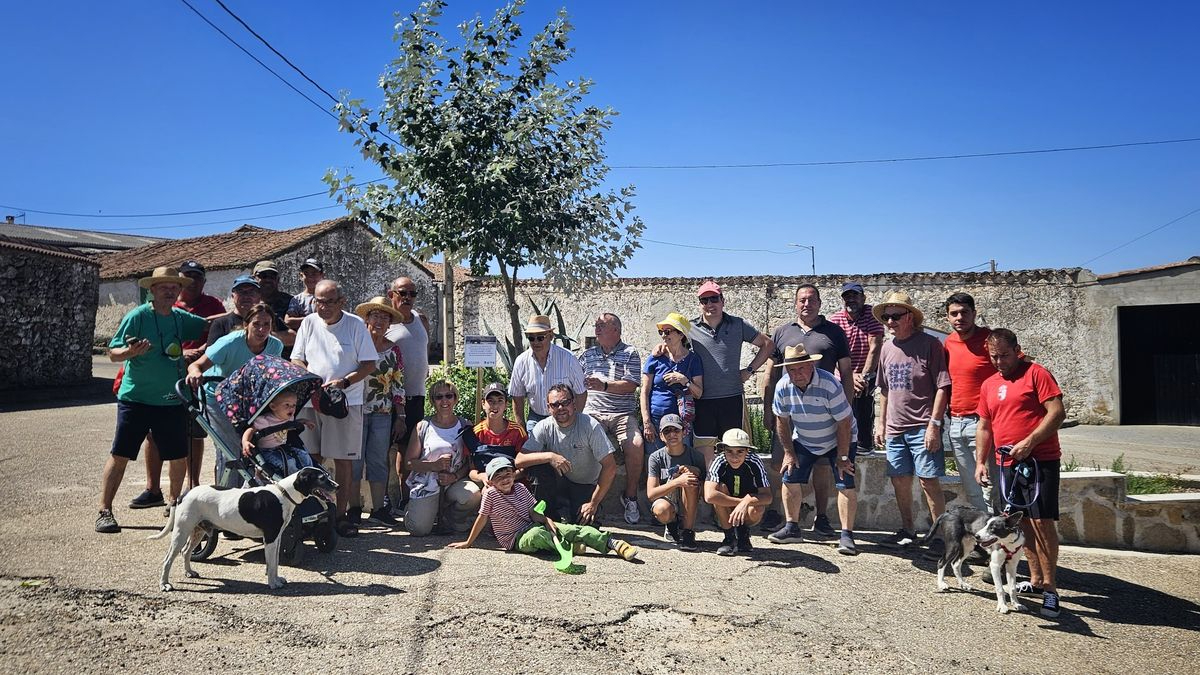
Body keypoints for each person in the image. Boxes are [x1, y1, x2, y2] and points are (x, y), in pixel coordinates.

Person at [96, 266, 207, 533]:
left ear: (179, 291)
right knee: (120, 454)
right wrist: (130, 352)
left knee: (178, 456)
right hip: (136, 399)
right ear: (152, 290)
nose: (170, 291)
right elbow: (112, 353)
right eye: (164, 287)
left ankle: (174, 503)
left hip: (171, 400)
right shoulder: (137, 316)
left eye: (174, 287)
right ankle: (104, 511)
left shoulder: (181, 318)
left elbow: (211, 325)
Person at [975, 328, 1066, 619]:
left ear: (1017, 350)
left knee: (1042, 522)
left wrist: (1030, 441)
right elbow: (985, 425)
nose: (999, 361)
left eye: (1004, 355)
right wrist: (980, 461)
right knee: (1021, 523)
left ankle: (1051, 589)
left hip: (1040, 460)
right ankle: (1036, 580)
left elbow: (1057, 412)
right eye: (993, 357)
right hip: (1007, 464)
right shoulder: (989, 384)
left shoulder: (1037, 374)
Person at [761, 284, 854, 537]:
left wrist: (846, 409)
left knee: (823, 467)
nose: (807, 304)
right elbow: (771, 373)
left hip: (826, 412)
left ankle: (821, 517)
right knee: (783, 462)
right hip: (789, 410)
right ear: (795, 303)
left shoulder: (834, 332)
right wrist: (769, 409)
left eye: (811, 300)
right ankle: (783, 517)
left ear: (820, 303)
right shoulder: (781, 332)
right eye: (802, 300)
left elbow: (846, 372)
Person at [130, 259, 225, 503]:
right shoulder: (165, 306)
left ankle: (191, 487)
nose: (192, 282)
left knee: (194, 433)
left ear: (203, 281)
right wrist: (181, 354)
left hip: (195, 378)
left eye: (196, 277)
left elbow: (216, 333)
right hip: (164, 377)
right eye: (187, 277)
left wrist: (201, 351)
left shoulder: (212, 304)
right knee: (154, 434)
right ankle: (153, 489)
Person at [291, 279, 377, 538]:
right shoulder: (308, 323)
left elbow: (369, 364)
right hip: (310, 401)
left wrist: (345, 382)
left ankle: (340, 516)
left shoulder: (354, 325)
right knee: (311, 459)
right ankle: (313, 514)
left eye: (329, 301)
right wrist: (312, 381)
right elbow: (296, 358)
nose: (323, 306)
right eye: (319, 301)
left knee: (344, 461)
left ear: (342, 301)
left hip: (345, 403)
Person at [450, 457, 638, 562]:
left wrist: (548, 521)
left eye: (508, 474)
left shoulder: (521, 488)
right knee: (537, 537)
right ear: (490, 481)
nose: (505, 479)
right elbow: (482, 518)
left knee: (569, 528)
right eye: (499, 477)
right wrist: (468, 542)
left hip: (533, 525)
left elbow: (534, 512)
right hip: (516, 539)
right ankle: (569, 547)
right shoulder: (490, 495)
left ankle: (613, 544)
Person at [873, 291, 950, 549]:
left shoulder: (929, 345)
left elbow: (942, 386)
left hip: (922, 425)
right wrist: (880, 422)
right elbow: (884, 389)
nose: (890, 321)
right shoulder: (886, 348)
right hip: (895, 428)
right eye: (886, 316)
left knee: (929, 481)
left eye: (895, 316)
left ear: (910, 317)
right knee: (900, 480)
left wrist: (934, 425)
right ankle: (907, 529)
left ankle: (941, 535)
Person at [765, 346, 860, 555]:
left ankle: (847, 535)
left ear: (811, 365)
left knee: (845, 480)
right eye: (791, 370)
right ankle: (792, 528)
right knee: (789, 476)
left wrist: (843, 456)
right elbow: (782, 421)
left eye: (801, 369)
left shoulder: (829, 383)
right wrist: (789, 452)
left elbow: (844, 423)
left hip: (839, 438)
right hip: (806, 438)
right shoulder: (783, 386)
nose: (796, 374)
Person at [186, 302, 284, 487]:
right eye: (256, 324)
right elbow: (196, 365)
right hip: (216, 397)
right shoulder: (230, 342)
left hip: (246, 400)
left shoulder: (275, 346)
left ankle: (246, 491)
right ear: (247, 325)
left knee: (253, 444)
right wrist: (195, 373)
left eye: (266, 324)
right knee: (230, 447)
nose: (261, 329)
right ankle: (226, 493)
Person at [579, 313, 645, 525]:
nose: (596, 328)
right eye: (596, 324)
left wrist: (604, 386)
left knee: (635, 444)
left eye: (601, 325)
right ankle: (587, 497)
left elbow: (631, 384)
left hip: (622, 414)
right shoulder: (586, 355)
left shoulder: (630, 353)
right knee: (582, 442)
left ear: (615, 330)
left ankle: (631, 496)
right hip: (592, 412)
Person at [517, 384, 616, 525]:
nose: (561, 408)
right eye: (555, 404)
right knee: (539, 466)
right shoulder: (544, 427)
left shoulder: (590, 426)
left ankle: (581, 510)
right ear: (548, 408)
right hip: (558, 482)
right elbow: (519, 460)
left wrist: (593, 503)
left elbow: (610, 466)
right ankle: (546, 517)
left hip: (585, 485)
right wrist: (550, 456)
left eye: (565, 402)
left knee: (585, 525)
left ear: (574, 403)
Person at [688, 280, 773, 441]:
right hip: (702, 400)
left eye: (714, 298)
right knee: (706, 453)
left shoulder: (738, 324)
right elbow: (674, 344)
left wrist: (749, 371)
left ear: (722, 301)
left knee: (735, 449)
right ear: (699, 304)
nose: (709, 304)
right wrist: (661, 348)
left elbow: (768, 344)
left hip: (732, 397)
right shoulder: (690, 328)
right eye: (704, 300)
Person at [402, 380, 482, 536]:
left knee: (472, 495)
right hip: (427, 482)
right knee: (419, 529)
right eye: (439, 397)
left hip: (455, 482)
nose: (444, 401)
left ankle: (448, 519)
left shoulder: (465, 425)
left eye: (449, 396)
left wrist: (454, 476)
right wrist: (434, 466)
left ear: (455, 398)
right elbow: (409, 463)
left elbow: (469, 462)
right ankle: (413, 510)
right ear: (432, 401)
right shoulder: (423, 426)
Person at [353, 296, 407, 526]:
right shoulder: (356, 344)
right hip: (355, 410)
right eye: (375, 315)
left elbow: (398, 384)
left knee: (377, 461)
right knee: (354, 461)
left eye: (385, 317)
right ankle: (353, 508)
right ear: (367, 319)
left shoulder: (393, 350)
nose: (379, 321)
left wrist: (400, 416)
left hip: (382, 412)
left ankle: (378, 509)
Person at [942, 292, 995, 514]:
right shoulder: (948, 343)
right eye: (954, 313)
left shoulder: (990, 340)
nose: (959, 317)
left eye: (964, 312)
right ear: (947, 317)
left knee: (991, 487)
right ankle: (986, 537)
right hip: (956, 423)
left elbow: (1017, 366)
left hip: (983, 423)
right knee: (972, 489)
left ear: (974, 313)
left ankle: (1001, 537)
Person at [385, 276, 432, 510]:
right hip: (388, 397)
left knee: (408, 450)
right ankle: (384, 499)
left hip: (416, 395)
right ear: (391, 294)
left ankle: (405, 499)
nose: (407, 298)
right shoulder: (386, 323)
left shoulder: (421, 320)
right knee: (384, 448)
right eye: (402, 293)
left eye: (412, 294)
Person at [828, 282, 885, 455]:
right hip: (844, 372)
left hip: (865, 372)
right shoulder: (836, 320)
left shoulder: (872, 315)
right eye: (847, 296)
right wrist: (850, 376)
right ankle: (840, 445)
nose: (851, 300)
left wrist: (864, 377)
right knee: (840, 409)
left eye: (855, 296)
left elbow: (874, 347)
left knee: (863, 403)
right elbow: (833, 350)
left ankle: (864, 444)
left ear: (863, 298)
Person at [508, 314, 587, 434]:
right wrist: (521, 429)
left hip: (564, 418)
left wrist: (574, 421)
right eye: (531, 338)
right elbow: (517, 397)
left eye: (540, 337)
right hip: (536, 418)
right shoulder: (521, 362)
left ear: (550, 336)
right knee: (531, 450)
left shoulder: (568, 359)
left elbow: (581, 393)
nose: (536, 342)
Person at [641, 312, 704, 456]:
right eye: (661, 332)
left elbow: (699, 393)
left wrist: (684, 380)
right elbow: (644, 391)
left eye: (668, 331)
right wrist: (646, 422)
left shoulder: (693, 360)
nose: (663, 335)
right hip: (656, 424)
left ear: (681, 335)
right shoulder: (655, 358)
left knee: (682, 466)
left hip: (681, 425)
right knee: (655, 466)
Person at [704, 428, 772, 556]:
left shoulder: (754, 461)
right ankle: (729, 537)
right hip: (727, 504)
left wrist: (747, 501)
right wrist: (742, 502)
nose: (734, 457)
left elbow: (767, 496)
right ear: (723, 450)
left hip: (747, 507)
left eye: (740, 451)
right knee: (719, 489)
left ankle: (743, 533)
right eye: (729, 451)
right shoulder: (718, 461)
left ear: (747, 451)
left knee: (758, 508)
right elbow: (709, 496)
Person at [645, 414, 703, 551]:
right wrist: (677, 482)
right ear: (661, 436)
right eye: (667, 431)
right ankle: (672, 523)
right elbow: (651, 494)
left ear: (684, 432)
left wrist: (694, 473)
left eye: (676, 430)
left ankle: (688, 531)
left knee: (690, 478)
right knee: (661, 510)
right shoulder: (656, 457)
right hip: (667, 499)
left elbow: (704, 486)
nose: (672, 434)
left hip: (689, 497)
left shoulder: (696, 456)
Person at [241, 387, 315, 479]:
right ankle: (294, 480)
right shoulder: (265, 420)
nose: (291, 408)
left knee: (304, 455)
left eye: (294, 405)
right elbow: (251, 430)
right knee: (290, 462)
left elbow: (293, 423)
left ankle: (311, 475)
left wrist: (303, 421)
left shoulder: (289, 418)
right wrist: (245, 441)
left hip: (283, 448)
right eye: (287, 405)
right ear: (273, 407)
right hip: (267, 451)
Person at [471, 382, 527, 485]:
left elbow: (525, 466)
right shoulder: (476, 432)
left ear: (506, 404)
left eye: (500, 401)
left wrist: (508, 478)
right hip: (488, 483)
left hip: (513, 483)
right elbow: (471, 470)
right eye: (490, 401)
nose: (495, 405)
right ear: (483, 404)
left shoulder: (517, 431)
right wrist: (482, 477)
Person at [206, 275, 263, 345]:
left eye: (251, 292)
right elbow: (211, 354)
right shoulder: (221, 324)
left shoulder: (268, 322)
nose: (246, 296)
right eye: (241, 292)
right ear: (232, 296)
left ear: (259, 297)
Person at [253, 260, 296, 345]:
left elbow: (297, 337)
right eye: (263, 276)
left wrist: (261, 336)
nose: (268, 280)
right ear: (254, 278)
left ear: (278, 279)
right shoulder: (249, 303)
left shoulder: (291, 302)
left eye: (272, 277)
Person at [285, 258, 325, 330]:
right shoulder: (297, 299)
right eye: (306, 273)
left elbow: (331, 317)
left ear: (322, 275)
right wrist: (315, 318)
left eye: (314, 273)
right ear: (301, 276)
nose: (310, 277)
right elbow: (288, 321)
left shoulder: (328, 296)